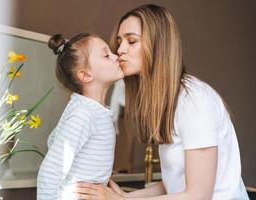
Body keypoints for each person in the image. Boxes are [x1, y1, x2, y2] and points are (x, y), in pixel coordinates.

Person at [75, 4, 249, 200]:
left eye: (131, 41)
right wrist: (125, 197)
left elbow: (198, 196)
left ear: (158, 45)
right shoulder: (166, 101)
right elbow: (173, 184)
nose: (120, 49)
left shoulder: (194, 101)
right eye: (119, 41)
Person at [37, 32, 124, 200]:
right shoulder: (84, 114)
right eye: (107, 55)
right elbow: (50, 172)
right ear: (85, 75)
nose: (116, 56)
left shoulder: (90, 111)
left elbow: (52, 139)